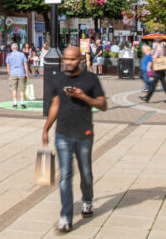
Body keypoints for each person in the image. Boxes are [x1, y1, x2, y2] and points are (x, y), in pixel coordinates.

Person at [42, 46, 107, 233]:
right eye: (66, 59)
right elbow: (55, 104)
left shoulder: (90, 79)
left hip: (84, 133)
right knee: (65, 176)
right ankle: (66, 217)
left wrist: (83, 97)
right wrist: (46, 129)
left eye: (72, 59)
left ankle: (87, 200)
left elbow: (102, 105)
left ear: (80, 60)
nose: (68, 62)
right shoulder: (59, 79)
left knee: (85, 172)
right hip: (63, 133)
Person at [6, 43, 28, 109]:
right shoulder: (22, 54)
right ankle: (22, 103)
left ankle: (15, 104)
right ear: (17, 48)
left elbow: (8, 65)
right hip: (21, 73)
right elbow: (25, 64)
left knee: (14, 89)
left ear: (11, 48)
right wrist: (27, 73)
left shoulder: (9, 55)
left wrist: (9, 73)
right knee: (22, 89)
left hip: (13, 73)